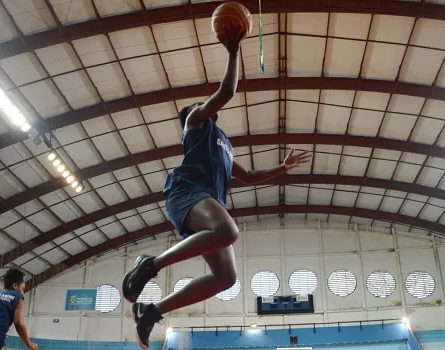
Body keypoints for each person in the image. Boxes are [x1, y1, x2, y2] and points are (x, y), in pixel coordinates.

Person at [122, 23, 313, 349]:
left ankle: (152, 312)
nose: (208, 110)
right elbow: (226, 92)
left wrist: (283, 167)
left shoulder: (223, 146)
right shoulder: (195, 123)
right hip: (187, 192)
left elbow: (250, 177)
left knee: (226, 279)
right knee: (229, 231)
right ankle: (150, 265)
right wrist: (233, 49)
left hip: (205, 199)